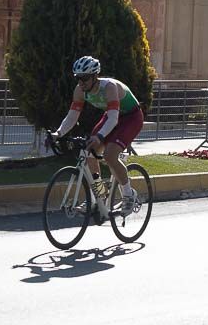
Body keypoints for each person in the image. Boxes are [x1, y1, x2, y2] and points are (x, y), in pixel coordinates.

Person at [49, 56, 144, 211]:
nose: (81, 82)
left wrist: (99, 136)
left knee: (109, 155)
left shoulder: (109, 87)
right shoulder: (80, 90)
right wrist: (58, 133)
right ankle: (99, 195)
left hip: (130, 117)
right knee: (89, 153)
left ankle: (129, 194)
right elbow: (72, 116)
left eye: (85, 78)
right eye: (78, 78)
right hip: (111, 116)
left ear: (95, 76)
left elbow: (113, 119)